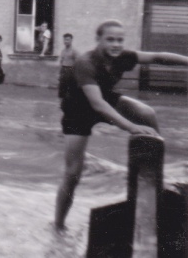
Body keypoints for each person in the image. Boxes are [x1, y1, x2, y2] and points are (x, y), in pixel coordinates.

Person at [54, 20, 188, 232]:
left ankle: (153, 176)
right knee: (73, 174)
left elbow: (158, 57)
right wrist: (130, 127)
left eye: (120, 40)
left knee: (147, 113)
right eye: (110, 39)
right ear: (98, 40)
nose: (116, 44)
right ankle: (58, 225)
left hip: (105, 98)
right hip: (78, 111)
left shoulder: (123, 57)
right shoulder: (85, 63)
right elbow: (97, 104)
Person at [58, 33, 79, 99]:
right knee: (62, 91)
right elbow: (61, 62)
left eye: (68, 40)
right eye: (65, 40)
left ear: (71, 40)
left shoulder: (74, 51)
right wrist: (60, 74)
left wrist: (75, 75)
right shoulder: (63, 51)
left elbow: (78, 63)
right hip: (63, 71)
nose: (66, 41)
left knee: (70, 91)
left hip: (71, 71)